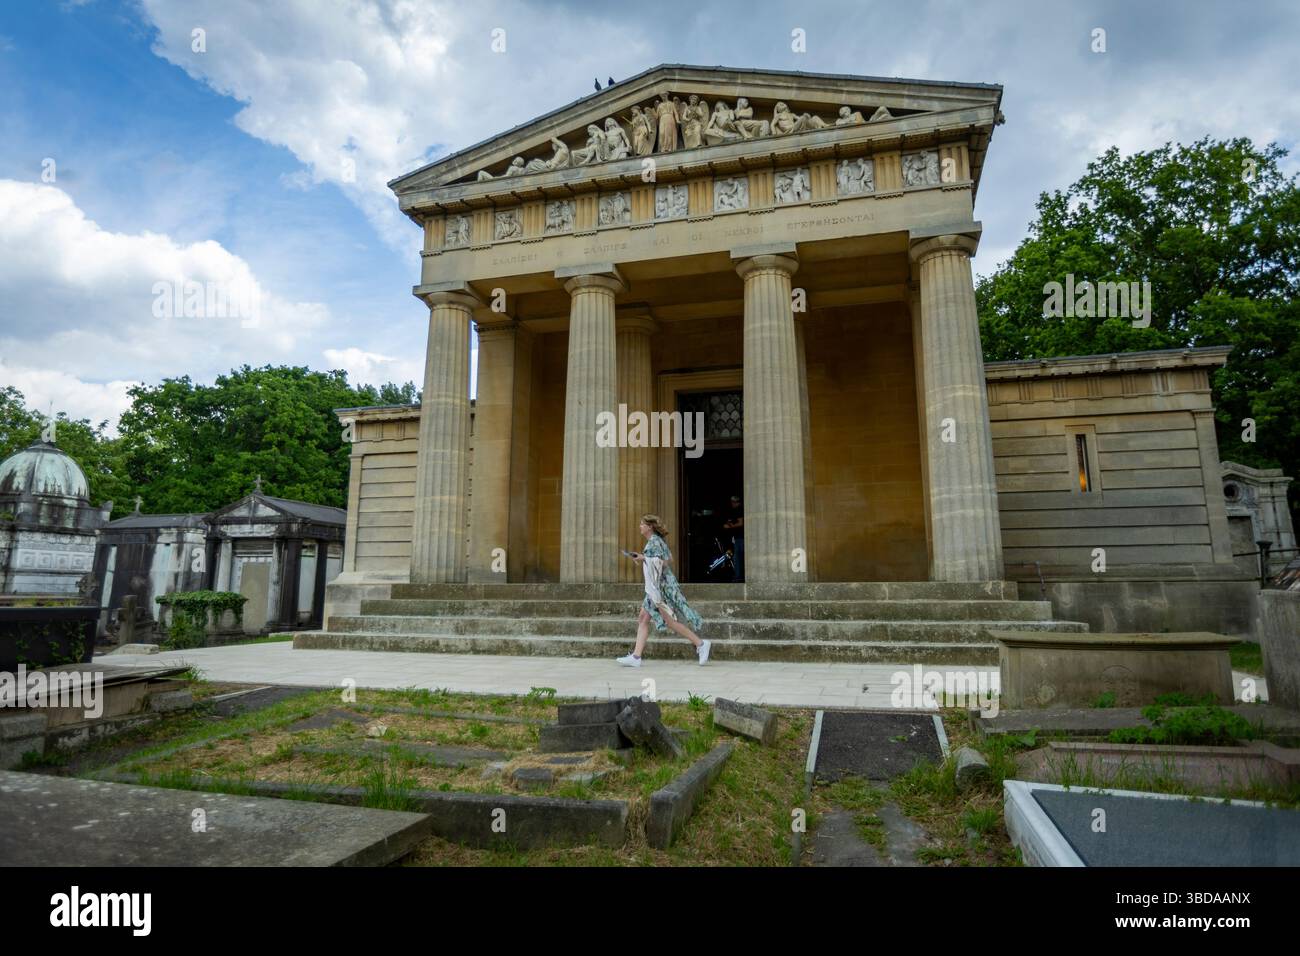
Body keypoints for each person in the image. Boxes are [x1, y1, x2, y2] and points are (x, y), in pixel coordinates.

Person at [617, 514, 710, 667]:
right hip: (656, 588)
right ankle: (636, 657)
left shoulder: (654, 541)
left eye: (642, 524)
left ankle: (701, 644)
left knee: (670, 621)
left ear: (650, 527)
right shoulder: (655, 541)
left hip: (661, 588)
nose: (640, 526)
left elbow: (665, 562)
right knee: (643, 618)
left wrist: (644, 558)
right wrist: (643, 558)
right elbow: (667, 559)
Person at [722, 495, 744, 582]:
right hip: (738, 537)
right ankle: (738, 575)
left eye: (733, 502)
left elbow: (741, 523)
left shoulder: (739, 510)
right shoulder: (736, 511)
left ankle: (739, 576)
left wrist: (729, 526)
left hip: (741, 537)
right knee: (737, 557)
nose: (732, 504)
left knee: (738, 557)